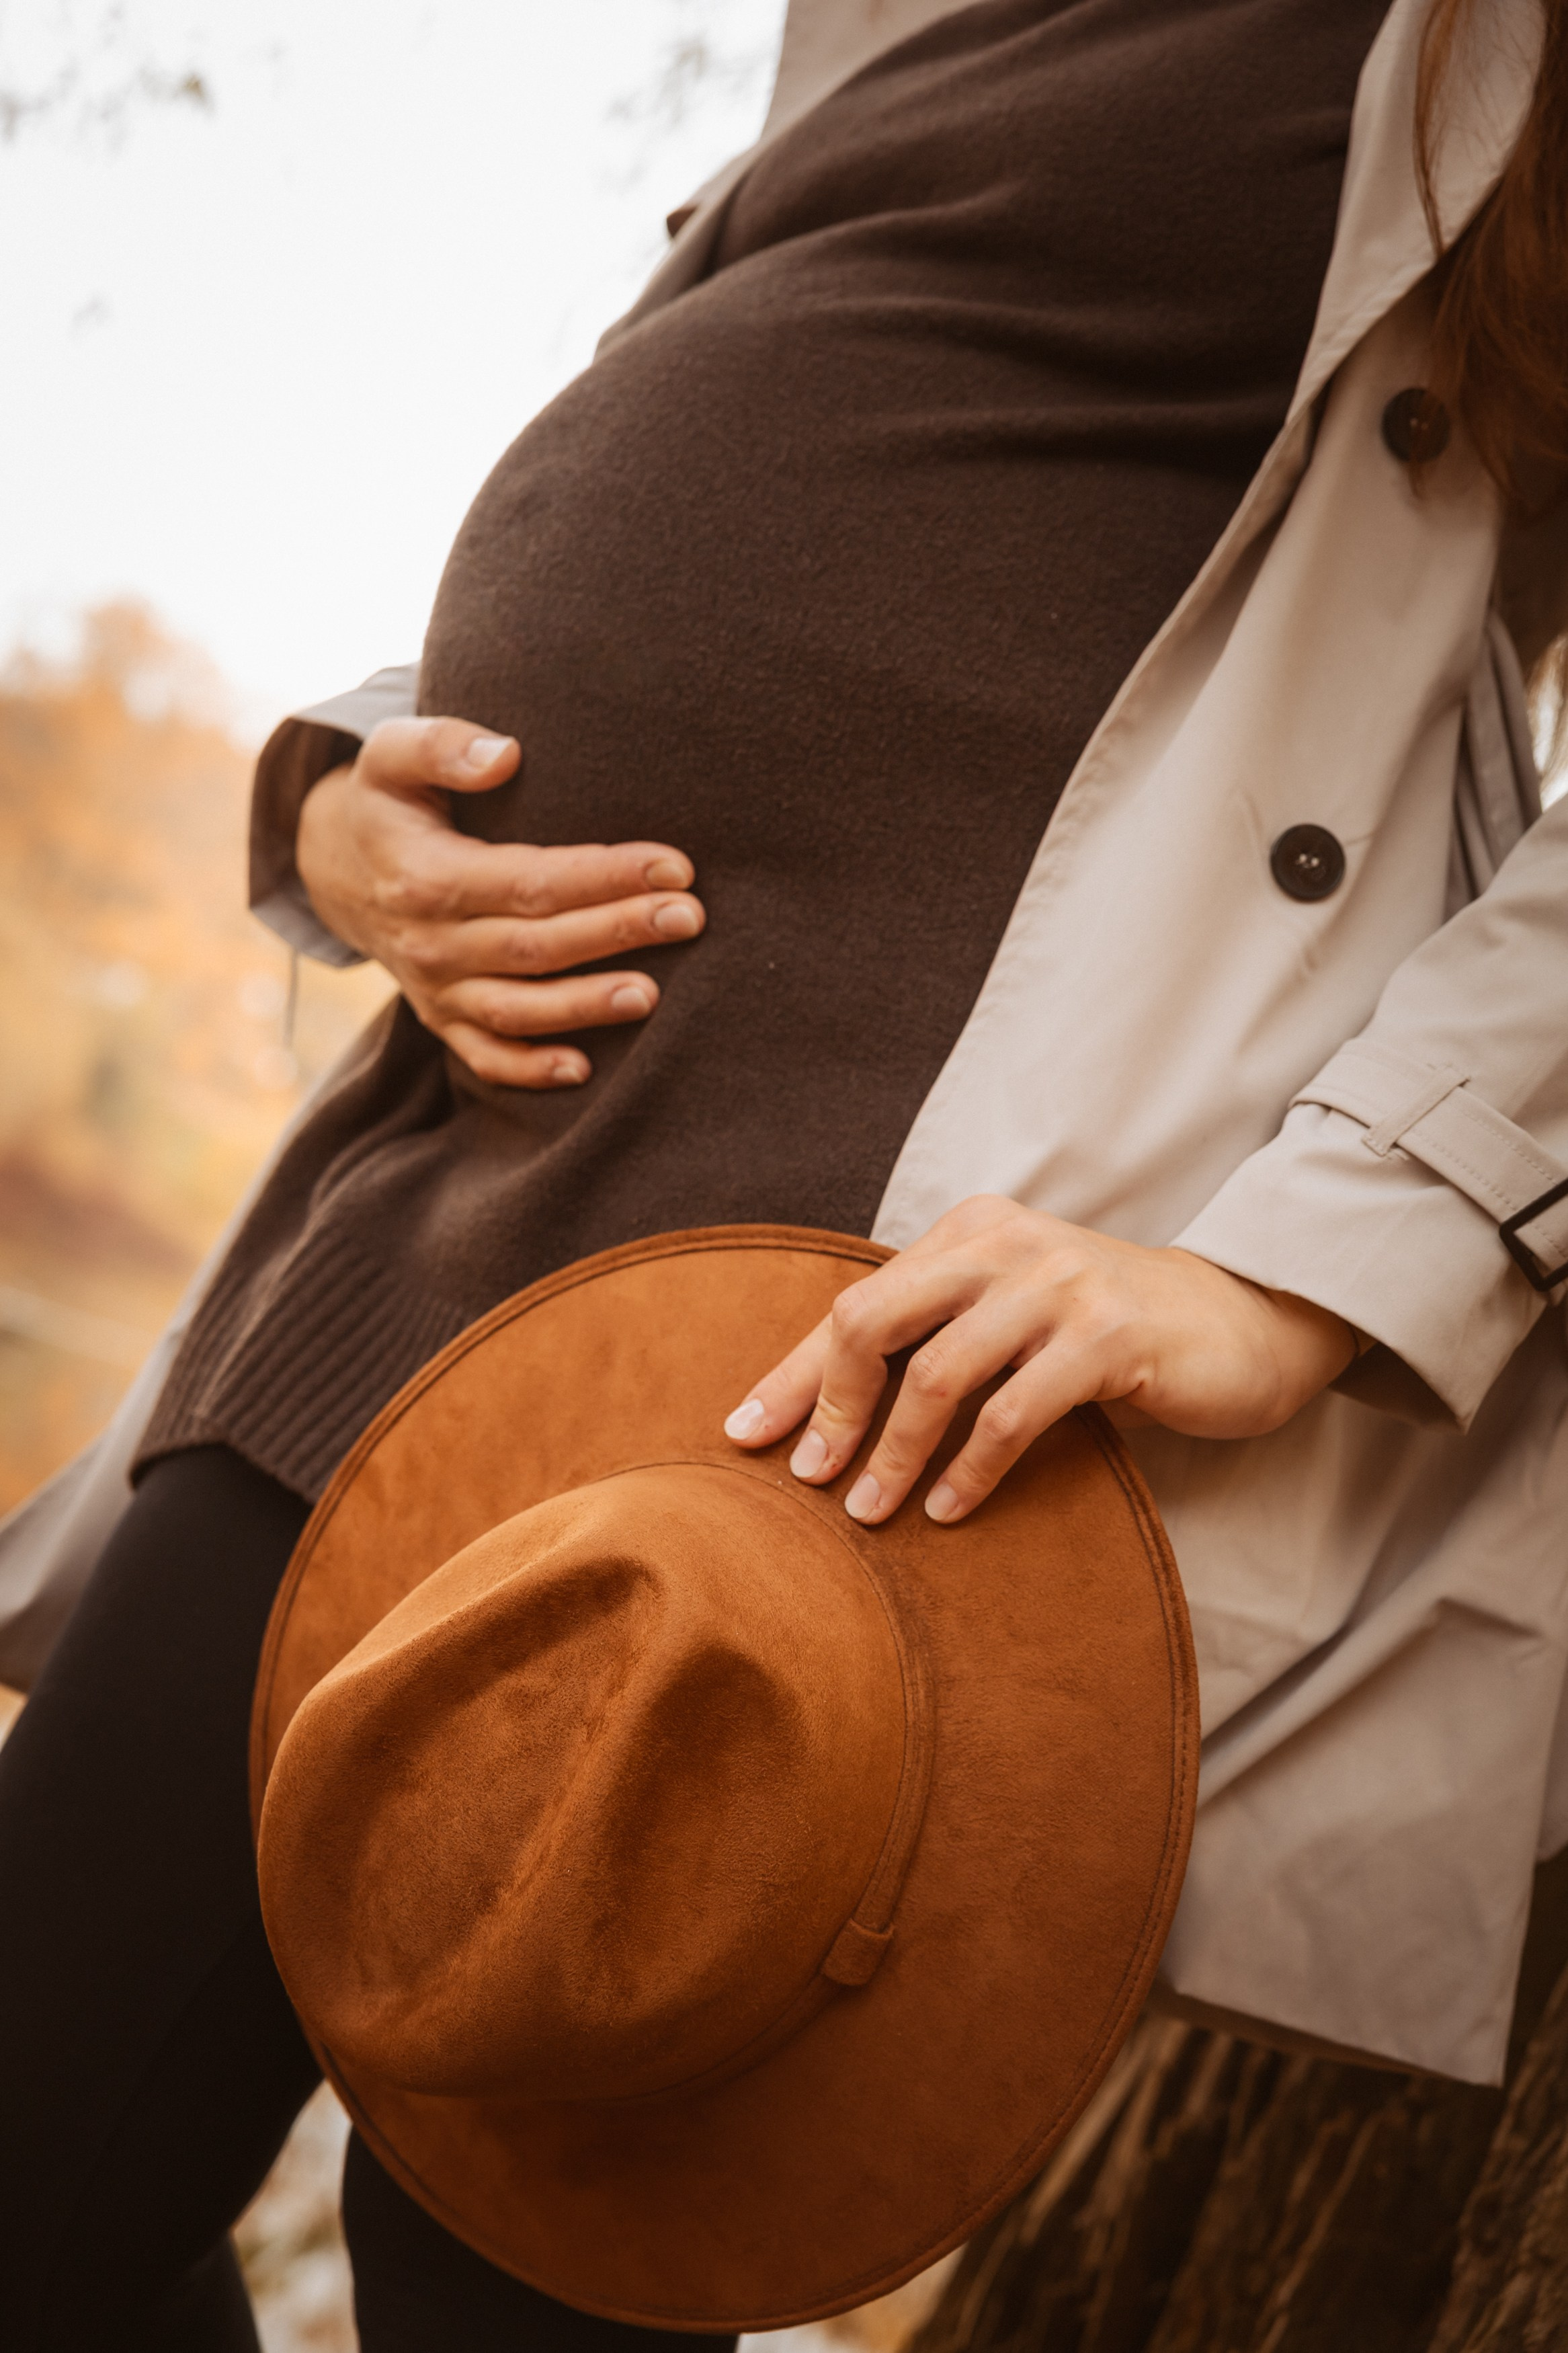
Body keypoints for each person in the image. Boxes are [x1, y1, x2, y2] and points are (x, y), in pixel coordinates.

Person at [3, 0, 1567, 2344]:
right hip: (459, 1169)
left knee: (493, 2251)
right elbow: (798, 383)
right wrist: (348, 795)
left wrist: (1313, 1265)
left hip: (853, 1301)